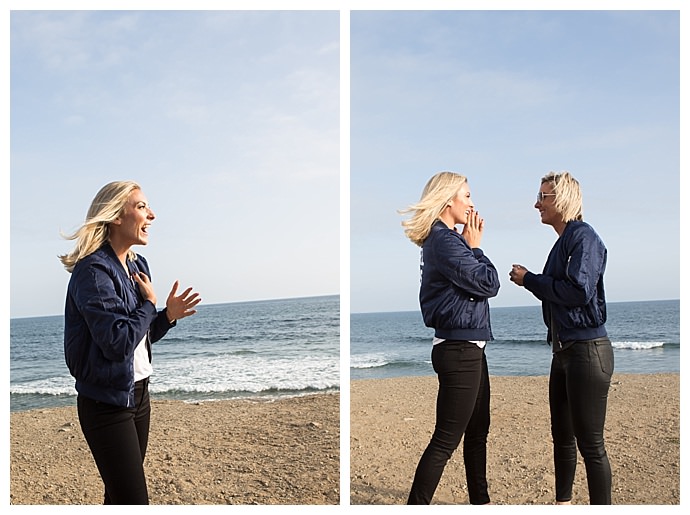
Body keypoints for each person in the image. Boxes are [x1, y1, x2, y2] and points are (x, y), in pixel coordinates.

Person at [59, 180, 202, 504]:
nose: (151, 215)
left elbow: (138, 337)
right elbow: (116, 343)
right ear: (115, 217)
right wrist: (150, 304)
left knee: (120, 496)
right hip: (106, 404)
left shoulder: (137, 266)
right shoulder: (93, 272)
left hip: (139, 395)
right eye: (141, 207)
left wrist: (166, 316)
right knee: (134, 501)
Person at [509, 171, 613, 505]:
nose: (536, 203)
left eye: (543, 196)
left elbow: (578, 291)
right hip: (564, 351)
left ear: (562, 199)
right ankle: (562, 503)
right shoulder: (562, 241)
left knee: (591, 445)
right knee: (562, 437)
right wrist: (534, 281)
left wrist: (529, 280)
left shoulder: (584, 238)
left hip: (587, 351)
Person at [400, 171, 500, 505]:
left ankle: (481, 503)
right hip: (459, 351)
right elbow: (489, 284)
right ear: (448, 200)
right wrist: (477, 248)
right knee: (445, 441)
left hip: (470, 346)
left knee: (477, 433)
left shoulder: (447, 240)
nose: (472, 203)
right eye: (468, 196)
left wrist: (469, 247)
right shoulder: (444, 241)